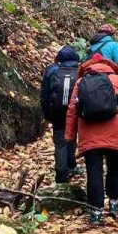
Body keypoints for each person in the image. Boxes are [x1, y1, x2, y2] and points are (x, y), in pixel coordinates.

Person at [65, 52, 118, 225]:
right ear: (109, 65)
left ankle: (96, 212)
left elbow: (72, 110)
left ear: (88, 66)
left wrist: (69, 136)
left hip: (89, 133)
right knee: (114, 167)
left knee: (94, 172)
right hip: (114, 132)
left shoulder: (81, 82)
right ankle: (113, 204)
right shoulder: (116, 79)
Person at [39, 46, 80, 183]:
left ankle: (61, 175)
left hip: (57, 111)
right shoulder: (80, 70)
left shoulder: (51, 70)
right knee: (72, 136)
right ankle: (71, 164)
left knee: (60, 142)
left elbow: (44, 96)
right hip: (75, 111)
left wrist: (48, 115)